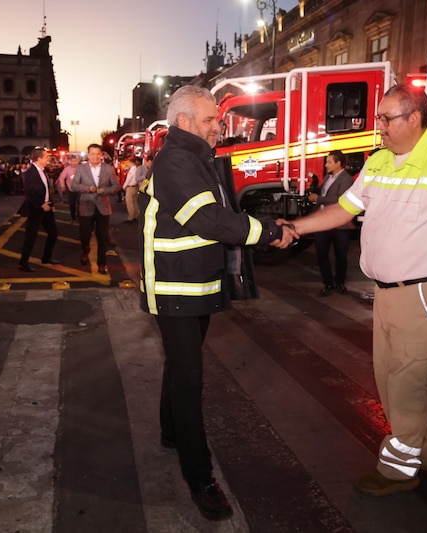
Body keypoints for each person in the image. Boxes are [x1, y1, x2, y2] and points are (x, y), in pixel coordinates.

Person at [290, 84, 427, 496]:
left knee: (408, 382)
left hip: (423, 293)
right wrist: (294, 228)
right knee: (394, 378)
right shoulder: (380, 161)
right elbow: (341, 210)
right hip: (384, 293)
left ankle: (398, 470)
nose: (377, 126)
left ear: (414, 119)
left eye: (386, 118)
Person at [139, 85, 294, 520]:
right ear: (184, 122)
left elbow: (219, 212)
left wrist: (261, 224)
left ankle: (171, 432)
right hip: (175, 286)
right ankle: (200, 478)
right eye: (210, 119)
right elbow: (208, 219)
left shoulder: (195, 157)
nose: (218, 125)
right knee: (190, 379)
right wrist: (265, 232)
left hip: (197, 283)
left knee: (179, 365)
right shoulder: (176, 160)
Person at [307, 150, 354, 295]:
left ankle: (340, 283)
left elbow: (340, 200)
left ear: (338, 163)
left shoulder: (346, 179)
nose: (326, 165)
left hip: (339, 224)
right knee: (321, 253)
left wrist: (318, 199)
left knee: (341, 255)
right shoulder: (328, 177)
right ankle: (328, 283)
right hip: (323, 221)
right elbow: (323, 193)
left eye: (329, 162)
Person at [71, 144, 119, 275]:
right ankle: (85, 250)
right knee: (85, 234)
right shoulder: (81, 168)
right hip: (86, 205)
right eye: (92, 154)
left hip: (103, 207)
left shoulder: (109, 169)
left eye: (98, 154)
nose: (95, 157)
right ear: (88, 155)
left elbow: (116, 186)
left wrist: (105, 190)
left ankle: (102, 263)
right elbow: (74, 186)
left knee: (103, 237)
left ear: (102, 155)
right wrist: (87, 189)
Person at [18, 148, 60, 272]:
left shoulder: (43, 171)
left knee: (53, 233)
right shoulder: (30, 173)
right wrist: (41, 204)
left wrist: (51, 204)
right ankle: (23, 262)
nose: (48, 159)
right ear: (39, 158)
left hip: (46, 207)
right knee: (31, 236)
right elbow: (29, 192)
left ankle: (46, 257)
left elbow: (46, 189)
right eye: (46, 156)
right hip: (36, 209)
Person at [58, 155, 79, 221]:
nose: (74, 163)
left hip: (80, 189)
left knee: (80, 204)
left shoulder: (81, 168)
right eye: (72, 161)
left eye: (75, 161)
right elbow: (62, 177)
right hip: (70, 190)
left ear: (78, 161)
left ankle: (79, 216)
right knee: (72, 204)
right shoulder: (67, 169)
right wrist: (62, 186)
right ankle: (73, 217)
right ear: (70, 162)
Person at [122, 157, 142, 223]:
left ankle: (130, 218)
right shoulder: (137, 169)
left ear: (131, 163)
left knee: (129, 203)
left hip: (130, 188)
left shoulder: (132, 170)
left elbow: (128, 180)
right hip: (136, 187)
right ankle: (136, 215)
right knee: (135, 202)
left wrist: (124, 186)